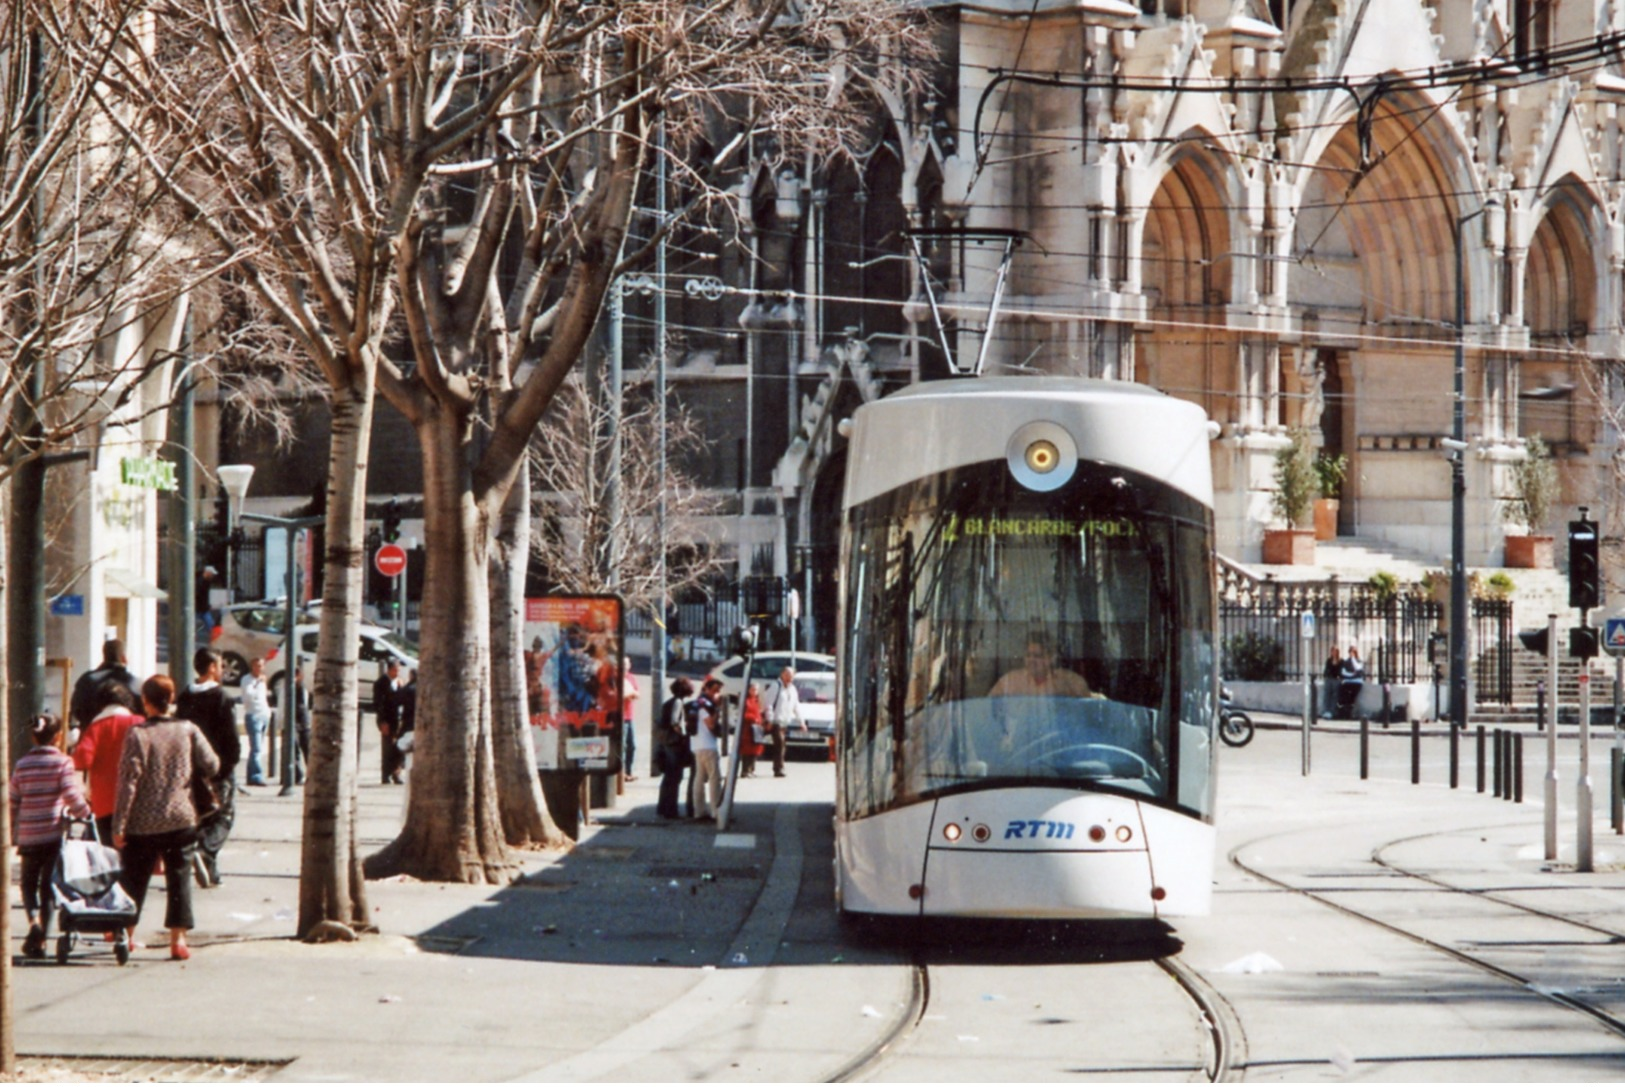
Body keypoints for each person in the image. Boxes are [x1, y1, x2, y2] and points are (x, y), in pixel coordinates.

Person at [115, 674, 219, 962]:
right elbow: (212, 764)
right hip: (181, 816)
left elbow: (128, 783)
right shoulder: (188, 729)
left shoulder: (138, 734)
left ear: (145, 702)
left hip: (142, 822)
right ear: (171, 699)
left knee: (134, 880)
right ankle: (179, 940)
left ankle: (128, 935)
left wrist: (119, 824)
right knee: (179, 878)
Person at [10, 714, 92, 959]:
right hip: (52, 833)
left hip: (27, 834)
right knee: (48, 886)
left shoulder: (22, 764)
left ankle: (33, 922)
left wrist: (11, 828)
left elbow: (13, 799)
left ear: (33, 736)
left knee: (28, 883)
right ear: (58, 737)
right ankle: (43, 937)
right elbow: (69, 793)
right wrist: (85, 811)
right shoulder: (63, 762)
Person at [175, 648, 239, 888]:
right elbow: (231, 740)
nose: (222, 670)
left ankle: (211, 871)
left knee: (202, 816)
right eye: (220, 665)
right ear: (212, 667)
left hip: (192, 768)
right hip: (217, 767)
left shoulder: (186, 696)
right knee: (224, 816)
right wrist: (227, 767)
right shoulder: (221, 697)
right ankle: (205, 850)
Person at [72, 680, 146, 844]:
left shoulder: (96, 726)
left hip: (105, 800)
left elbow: (82, 759)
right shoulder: (140, 722)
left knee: (110, 854)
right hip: (139, 799)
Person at [989, 631, 1095, 699]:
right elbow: (989, 708)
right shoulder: (1009, 682)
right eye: (1028, 655)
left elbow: (1086, 715)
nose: (1031, 660)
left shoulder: (1071, 682)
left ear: (1052, 658)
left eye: (1038, 656)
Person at [70, 639, 140, 730]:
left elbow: (76, 710)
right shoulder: (134, 683)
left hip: (91, 736)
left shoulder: (86, 680)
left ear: (104, 656)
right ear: (124, 658)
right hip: (125, 736)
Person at [653, 678, 694, 820]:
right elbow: (674, 722)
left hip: (666, 742)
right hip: (673, 743)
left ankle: (663, 808)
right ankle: (671, 810)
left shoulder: (669, 702)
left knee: (669, 777)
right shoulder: (678, 702)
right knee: (675, 776)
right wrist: (682, 734)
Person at [688, 678, 725, 820]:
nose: (717, 694)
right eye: (715, 691)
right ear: (707, 689)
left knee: (699, 778)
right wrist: (717, 711)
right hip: (707, 745)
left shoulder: (697, 704)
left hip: (697, 745)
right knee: (714, 778)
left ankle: (699, 811)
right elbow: (710, 724)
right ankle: (716, 811)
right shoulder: (705, 705)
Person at [763, 668, 803, 778]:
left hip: (785, 721)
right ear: (782, 674)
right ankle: (779, 768)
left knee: (781, 745)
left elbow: (796, 706)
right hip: (775, 721)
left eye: (791, 675)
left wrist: (801, 721)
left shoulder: (793, 689)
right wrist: (769, 719)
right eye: (787, 674)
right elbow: (768, 704)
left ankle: (778, 766)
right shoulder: (776, 686)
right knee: (780, 745)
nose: (789, 677)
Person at [239, 658, 272, 786]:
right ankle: (255, 776)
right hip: (253, 715)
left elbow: (263, 697)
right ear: (252, 666)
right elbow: (248, 696)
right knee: (256, 747)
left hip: (264, 714)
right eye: (256, 666)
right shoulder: (247, 680)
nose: (259, 668)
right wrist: (258, 682)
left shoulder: (262, 681)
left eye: (261, 666)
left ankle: (252, 774)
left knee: (259, 747)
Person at [373, 660, 404, 784]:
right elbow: (378, 704)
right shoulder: (381, 683)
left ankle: (396, 773)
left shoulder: (399, 682)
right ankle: (385, 774)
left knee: (399, 747)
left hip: (398, 718)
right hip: (387, 719)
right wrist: (382, 721)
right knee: (387, 747)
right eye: (395, 670)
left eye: (399, 670)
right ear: (389, 669)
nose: (397, 673)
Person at [738, 683, 765, 777]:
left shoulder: (756, 701)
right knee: (747, 751)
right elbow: (743, 714)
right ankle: (745, 770)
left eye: (756, 690)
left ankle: (751, 769)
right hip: (748, 729)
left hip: (756, 729)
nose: (755, 692)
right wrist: (753, 718)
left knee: (755, 749)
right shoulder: (746, 701)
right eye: (753, 689)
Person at [621, 658, 639, 782]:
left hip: (629, 716)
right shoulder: (615, 677)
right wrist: (629, 694)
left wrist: (629, 694)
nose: (625, 666)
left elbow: (637, 694)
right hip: (620, 717)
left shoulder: (631, 678)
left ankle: (628, 771)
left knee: (632, 745)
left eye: (626, 664)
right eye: (623, 664)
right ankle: (621, 774)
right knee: (621, 746)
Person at [1338, 645, 1366, 719]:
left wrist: (1353, 658)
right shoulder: (1346, 662)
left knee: (1352, 697)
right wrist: (1352, 675)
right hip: (1347, 682)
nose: (1351, 653)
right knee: (1344, 696)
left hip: (1357, 682)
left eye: (1353, 652)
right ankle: (1343, 713)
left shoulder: (1359, 661)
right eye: (1350, 652)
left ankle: (1350, 713)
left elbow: (1357, 668)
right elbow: (1343, 672)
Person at [1322, 646, 1343, 720]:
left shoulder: (1340, 661)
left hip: (1336, 680)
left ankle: (1331, 712)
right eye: (1332, 651)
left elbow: (1341, 671)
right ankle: (1325, 711)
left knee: (1335, 696)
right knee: (1326, 695)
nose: (1333, 652)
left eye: (1335, 651)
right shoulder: (1329, 660)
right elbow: (1326, 670)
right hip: (1329, 679)